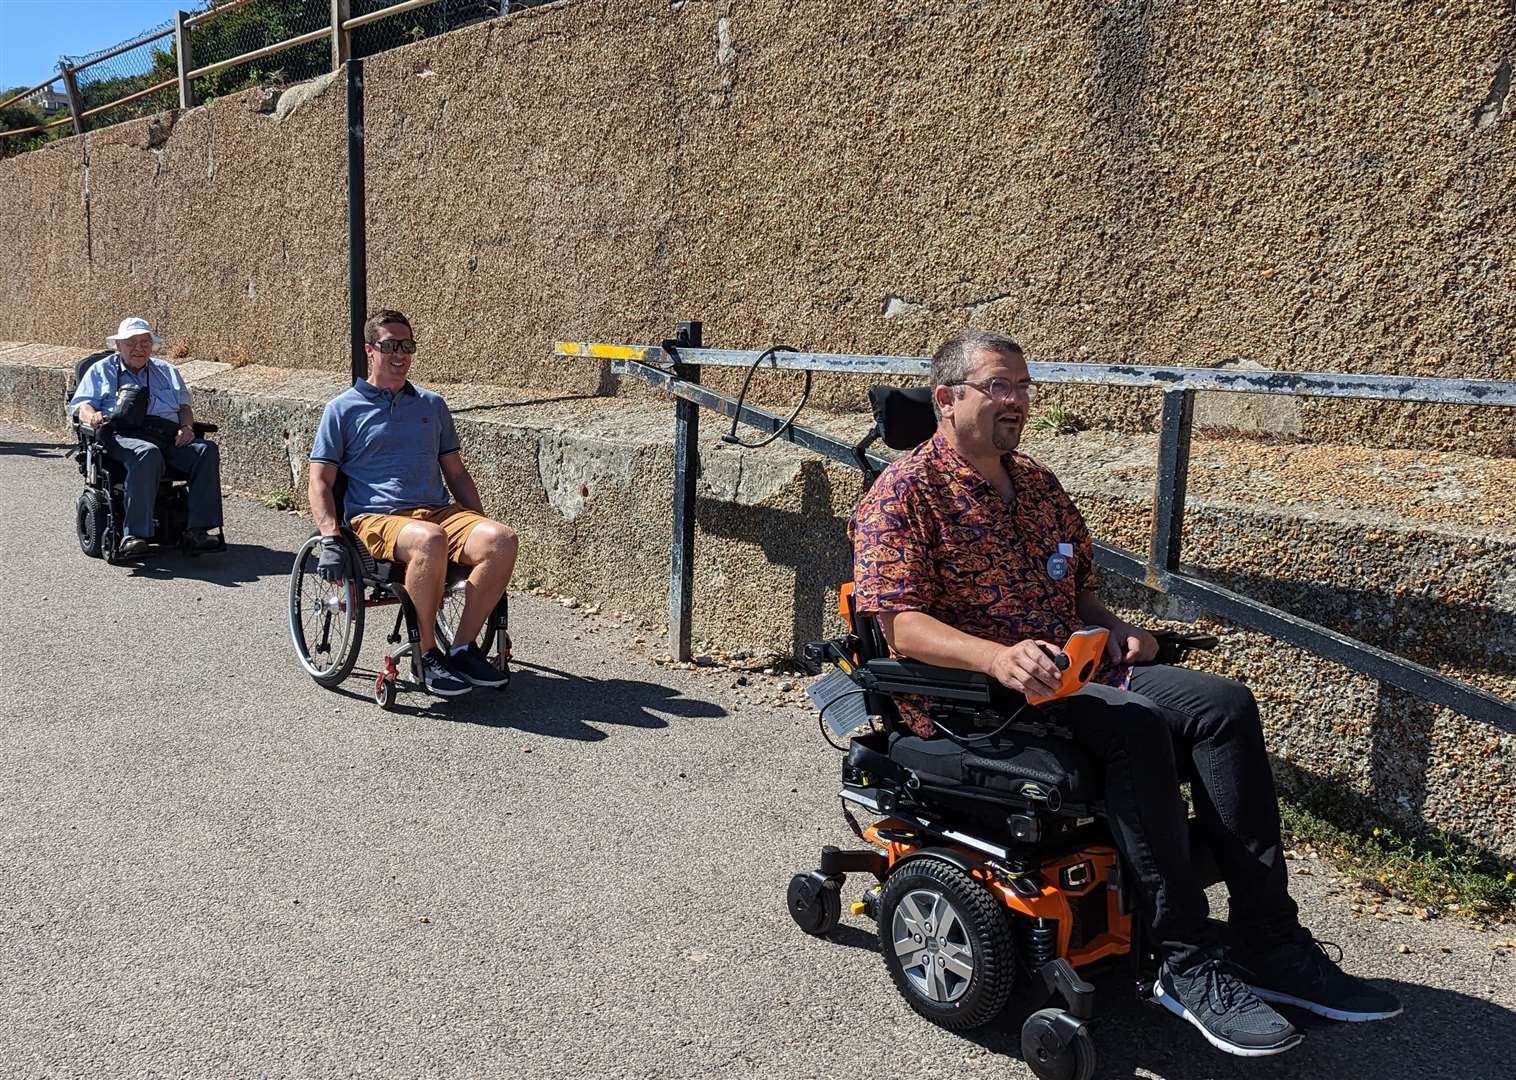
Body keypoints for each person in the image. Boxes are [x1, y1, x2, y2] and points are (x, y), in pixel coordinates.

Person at [848, 329, 1401, 1058]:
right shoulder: (904, 493)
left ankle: (1271, 941)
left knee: (1222, 704)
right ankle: (1185, 959)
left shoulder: (1037, 482)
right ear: (948, 398)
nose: (1017, 401)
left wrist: (1118, 631)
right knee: (1134, 725)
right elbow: (903, 626)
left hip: (1079, 672)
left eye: (1023, 387)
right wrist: (999, 657)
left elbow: (1076, 591)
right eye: (999, 386)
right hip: (975, 702)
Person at [308, 309, 518, 698]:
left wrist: (477, 522)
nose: (400, 355)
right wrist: (330, 537)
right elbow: (320, 480)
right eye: (390, 346)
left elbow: (455, 473)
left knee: (501, 540)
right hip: (377, 517)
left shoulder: (431, 405)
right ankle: (427, 654)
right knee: (430, 539)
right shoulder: (342, 409)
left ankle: (462, 647)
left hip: (435, 512)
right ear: (370, 350)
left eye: (407, 346)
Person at [69, 317, 223, 558]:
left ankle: (198, 531)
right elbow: (82, 406)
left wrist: (187, 427)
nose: (138, 348)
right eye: (131, 342)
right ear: (118, 345)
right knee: (146, 452)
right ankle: (135, 535)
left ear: (152, 346)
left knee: (206, 450)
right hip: (121, 435)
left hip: (165, 434)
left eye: (144, 342)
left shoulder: (167, 371)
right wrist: (94, 417)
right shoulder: (100, 370)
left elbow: (184, 406)